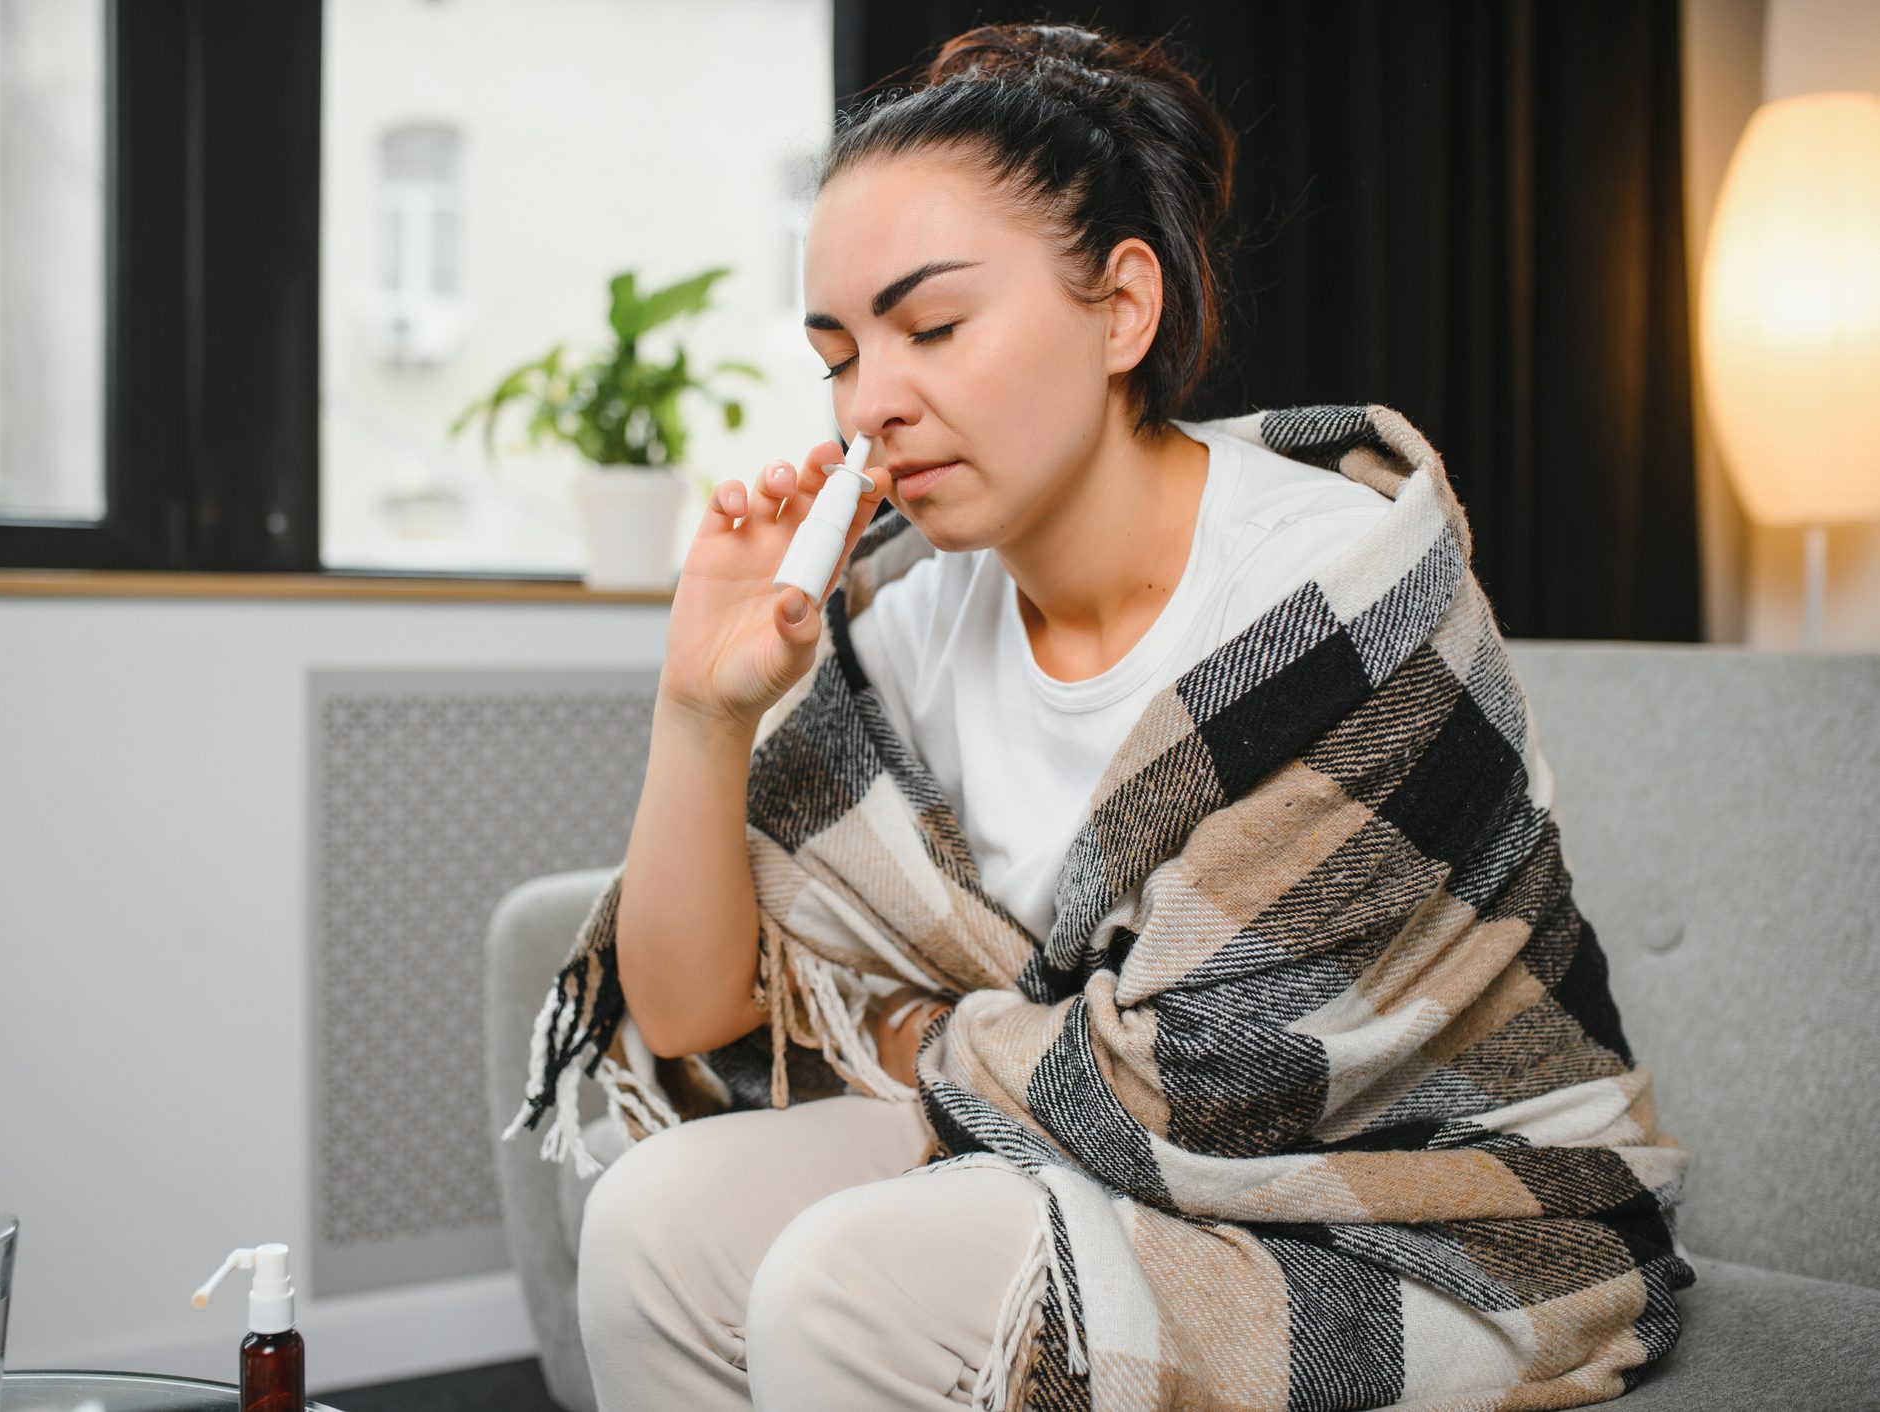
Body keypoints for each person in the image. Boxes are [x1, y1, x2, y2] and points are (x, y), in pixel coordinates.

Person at [541, 20, 1687, 1412]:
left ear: (1121, 310)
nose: (871, 407)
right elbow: (689, 1013)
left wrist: (917, 1036)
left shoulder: (1328, 590)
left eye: (934, 326)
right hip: (1071, 1138)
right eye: (837, 354)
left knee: (845, 1282)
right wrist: (699, 707)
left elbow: (1213, 1078)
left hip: (1430, 1201)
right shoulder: (903, 625)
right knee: (652, 1221)